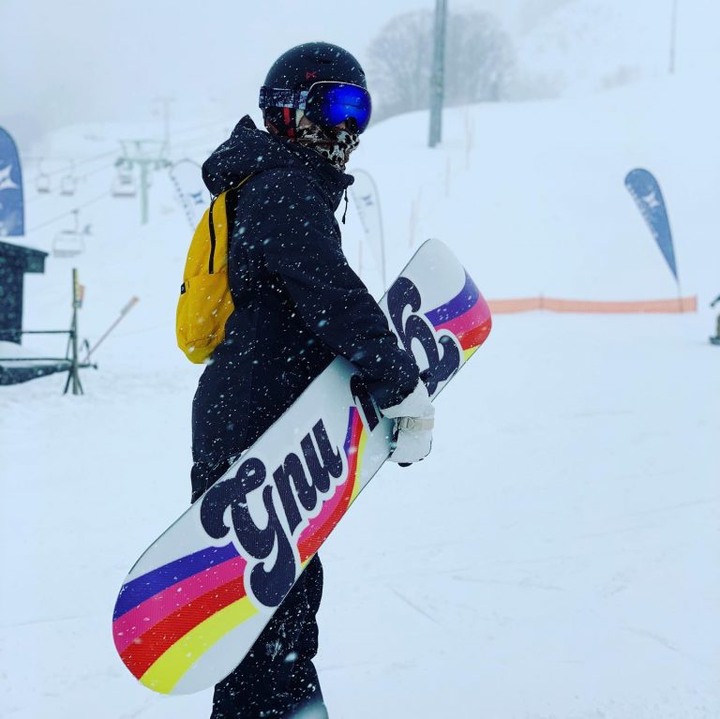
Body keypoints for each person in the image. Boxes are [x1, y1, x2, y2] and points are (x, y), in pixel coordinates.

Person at [190, 41, 435, 719]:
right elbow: (333, 296)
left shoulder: (280, 186)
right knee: (273, 617)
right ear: (286, 111)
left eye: (361, 109)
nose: (348, 126)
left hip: (258, 416)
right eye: (335, 104)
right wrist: (399, 382)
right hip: (250, 427)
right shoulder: (282, 188)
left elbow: (320, 305)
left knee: (277, 609)